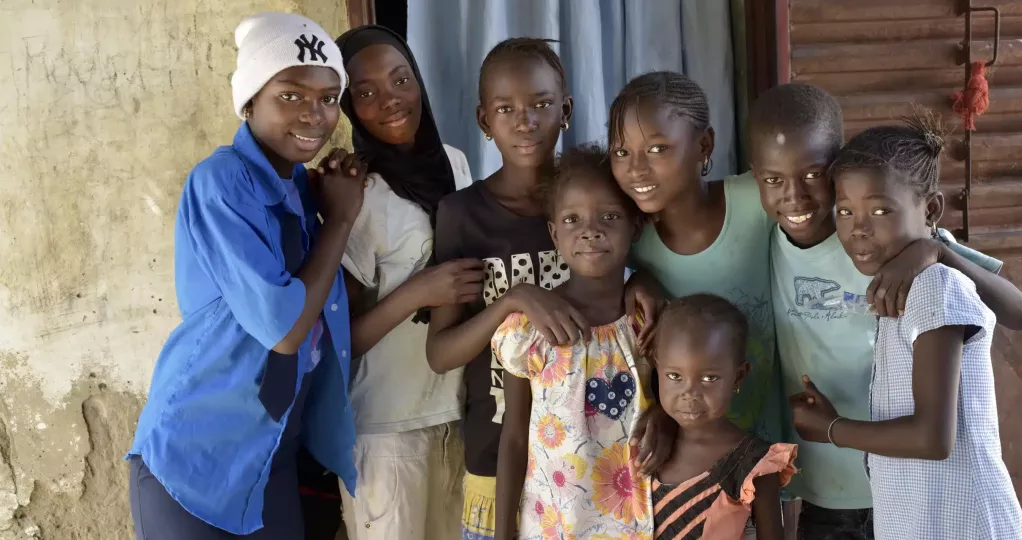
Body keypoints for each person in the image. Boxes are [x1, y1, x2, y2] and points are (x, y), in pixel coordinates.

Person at [748, 84, 1022, 539]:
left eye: (813, 175)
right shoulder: (771, 236)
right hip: (836, 489)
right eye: (773, 180)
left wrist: (934, 250)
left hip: (925, 496)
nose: (795, 196)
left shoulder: (920, 262)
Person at [126, 13, 362, 538]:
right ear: (251, 99)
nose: (314, 114)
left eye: (328, 98)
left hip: (268, 458)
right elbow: (283, 329)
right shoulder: (222, 182)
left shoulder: (304, 190)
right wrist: (341, 221)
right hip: (196, 461)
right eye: (291, 95)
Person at [426, 38, 662, 540]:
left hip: (616, 477)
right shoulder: (462, 215)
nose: (525, 121)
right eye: (506, 109)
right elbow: (441, 352)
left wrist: (644, 278)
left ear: (566, 109)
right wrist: (515, 298)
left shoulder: (597, 191)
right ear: (483, 120)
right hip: (502, 462)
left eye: (540, 104)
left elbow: (630, 264)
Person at [334, 25, 480, 540]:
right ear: (348, 105)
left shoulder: (456, 163)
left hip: (458, 415)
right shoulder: (357, 191)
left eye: (401, 80)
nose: (389, 101)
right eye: (366, 92)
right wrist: (420, 292)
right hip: (387, 431)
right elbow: (341, 339)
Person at [607, 73, 783, 486]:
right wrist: (635, 279)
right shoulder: (629, 243)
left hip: (775, 428)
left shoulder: (756, 200)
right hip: (685, 459)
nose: (636, 168)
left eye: (657, 148)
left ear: (703, 145)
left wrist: (933, 246)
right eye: (621, 151)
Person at [494, 144, 654, 539]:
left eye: (610, 216)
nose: (591, 230)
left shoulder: (649, 322)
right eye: (572, 219)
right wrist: (503, 533)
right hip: (554, 525)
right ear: (554, 233)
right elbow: (514, 436)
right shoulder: (529, 331)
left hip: (639, 523)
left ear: (635, 226)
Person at [651, 294, 796, 540]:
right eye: (674, 376)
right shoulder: (647, 445)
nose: (690, 394)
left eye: (709, 378)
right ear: (657, 369)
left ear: (738, 377)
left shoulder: (755, 463)